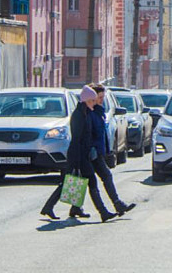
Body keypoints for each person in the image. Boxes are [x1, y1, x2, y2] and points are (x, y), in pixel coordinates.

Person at [41, 85, 117, 223]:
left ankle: (51, 207)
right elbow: (77, 139)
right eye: (92, 100)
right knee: (90, 182)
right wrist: (77, 160)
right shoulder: (79, 115)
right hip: (79, 155)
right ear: (86, 100)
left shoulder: (85, 112)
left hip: (83, 155)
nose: (95, 102)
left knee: (72, 182)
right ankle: (103, 212)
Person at [89, 84, 136, 218]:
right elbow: (88, 134)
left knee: (86, 181)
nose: (101, 100)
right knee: (98, 179)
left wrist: (107, 150)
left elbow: (101, 133)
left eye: (103, 97)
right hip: (91, 153)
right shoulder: (88, 113)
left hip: (97, 152)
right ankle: (114, 205)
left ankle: (74, 208)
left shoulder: (98, 111)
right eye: (99, 97)